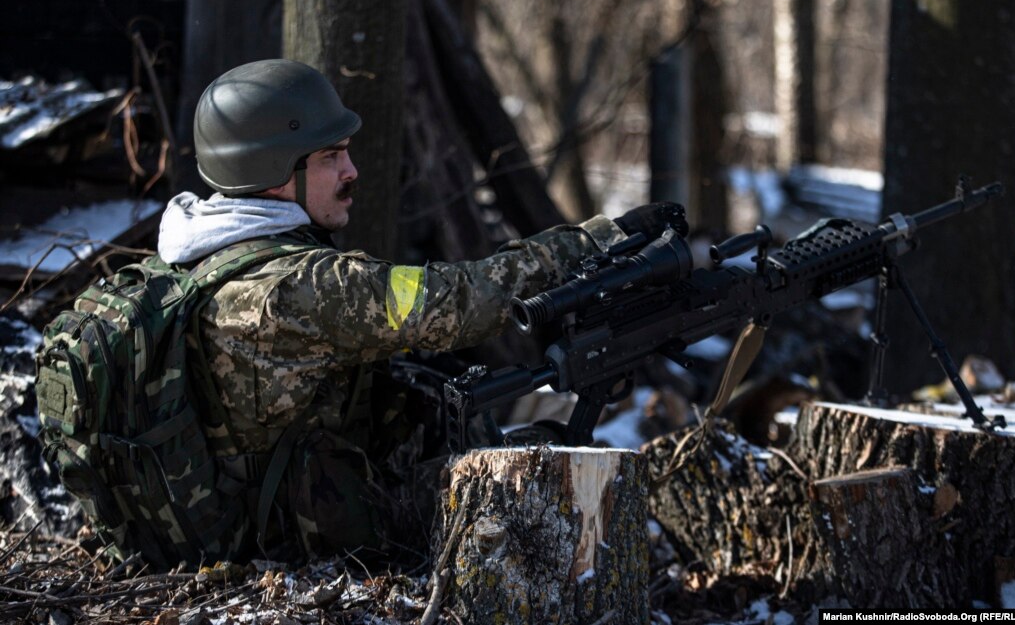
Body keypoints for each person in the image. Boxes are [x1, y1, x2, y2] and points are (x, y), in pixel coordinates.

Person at [158, 58, 675, 561]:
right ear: (273, 170)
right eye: (330, 156)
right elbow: (461, 300)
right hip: (288, 539)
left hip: (235, 513)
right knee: (536, 458)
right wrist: (600, 239)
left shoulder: (199, 253)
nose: (351, 170)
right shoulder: (304, 288)